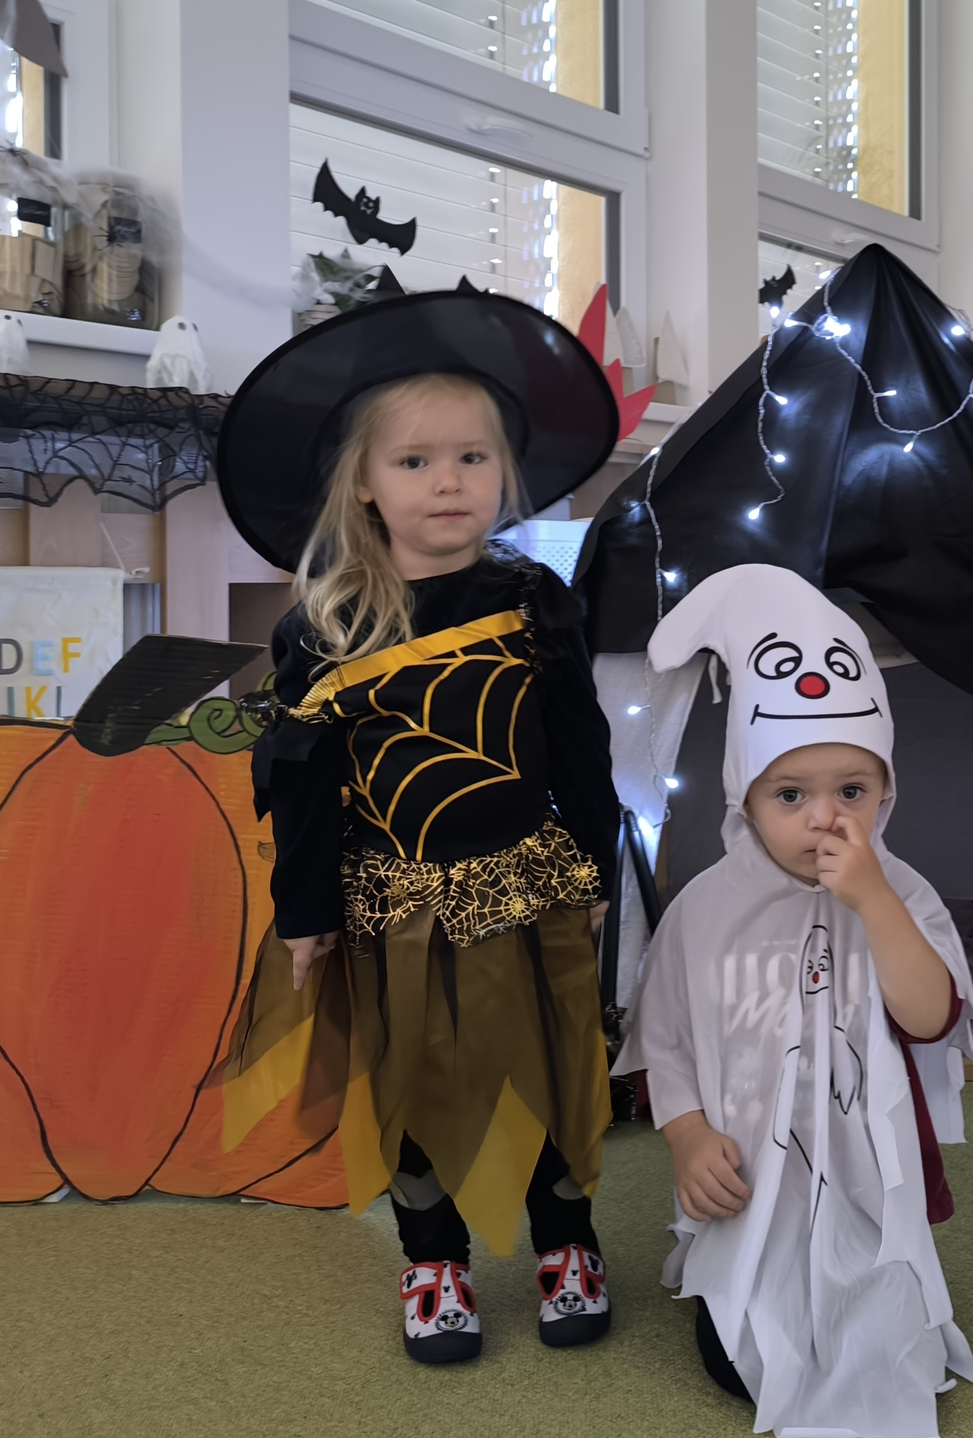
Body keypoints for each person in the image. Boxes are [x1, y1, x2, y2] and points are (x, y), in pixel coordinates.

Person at [211, 290, 626, 1363]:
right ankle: (432, 1260)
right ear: (363, 481)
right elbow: (303, 785)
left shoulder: (534, 601)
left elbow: (579, 748)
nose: (448, 482)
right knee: (409, 1087)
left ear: (505, 470)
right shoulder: (325, 625)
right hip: (390, 904)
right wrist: (303, 911)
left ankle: (566, 1242)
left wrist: (594, 865)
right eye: (414, 461)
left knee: (546, 1072)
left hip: (528, 887)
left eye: (471, 458)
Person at [614, 564, 973, 1438]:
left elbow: (930, 1016)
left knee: (890, 1350)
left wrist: (874, 902)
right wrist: (686, 1133)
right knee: (741, 1358)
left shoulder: (904, 892)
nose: (825, 818)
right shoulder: (703, 908)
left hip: (864, 1177)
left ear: (884, 792)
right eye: (790, 795)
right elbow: (664, 1040)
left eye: (851, 790)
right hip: (750, 1177)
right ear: (744, 796)